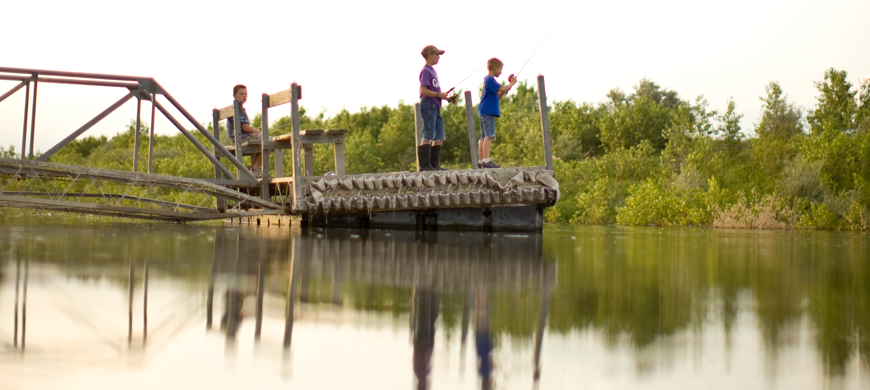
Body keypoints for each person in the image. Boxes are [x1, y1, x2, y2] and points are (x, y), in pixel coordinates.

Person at [477, 58, 517, 169]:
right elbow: (502, 88)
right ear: (495, 68)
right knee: (489, 136)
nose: (501, 72)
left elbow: (498, 95)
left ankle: (481, 161)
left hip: (484, 110)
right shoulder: (490, 79)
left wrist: (504, 90)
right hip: (488, 111)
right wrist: (512, 83)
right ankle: (486, 160)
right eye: (500, 69)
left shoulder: (487, 81)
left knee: (483, 137)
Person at [418, 45, 451, 171]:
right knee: (429, 133)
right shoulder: (426, 71)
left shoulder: (433, 71)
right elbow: (424, 91)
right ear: (430, 55)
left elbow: (435, 91)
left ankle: (434, 164)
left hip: (436, 106)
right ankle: (425, 166)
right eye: (437, 54)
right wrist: (438, 95)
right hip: (428, 105)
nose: (438, 57)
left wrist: (445, 97)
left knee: (439, 135)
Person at [227, 84, 263, 179]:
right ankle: (256, 168)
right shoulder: (237, 108)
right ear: (234, 95)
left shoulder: (235, 108)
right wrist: (259, 132)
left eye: (246, 94)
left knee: (264, 141)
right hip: (241, 139)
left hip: (237, 138)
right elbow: (246, 128)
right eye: (241, 94)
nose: (244, 96)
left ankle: (254, 168)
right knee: (268, 140)